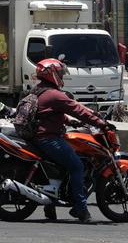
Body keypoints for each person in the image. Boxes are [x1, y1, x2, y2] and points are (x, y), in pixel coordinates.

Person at [30, 58, 110, 223]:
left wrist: (70, 122)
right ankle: (81, 209)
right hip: (48, 138)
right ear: (52, 74)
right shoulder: (55, 95)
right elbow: (79, 110)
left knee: (59, 168)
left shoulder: (38, 90)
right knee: (77, 166)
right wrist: (101, 123)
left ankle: (50, 205)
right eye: (60, 73)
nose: (62, 76)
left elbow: (49, 114)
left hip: (37, 137)